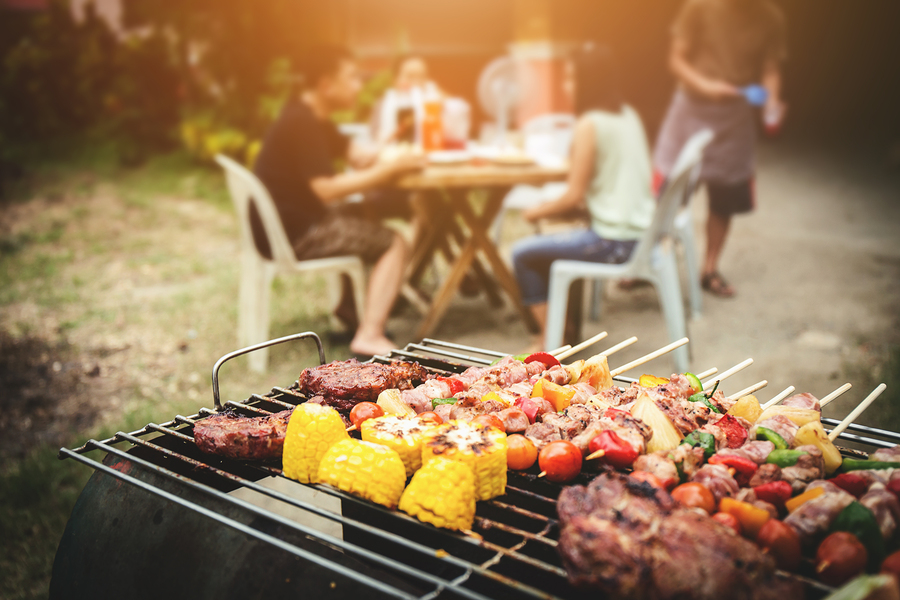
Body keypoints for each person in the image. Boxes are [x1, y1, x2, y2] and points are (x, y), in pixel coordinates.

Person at [253, 45, 425, 357]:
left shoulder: (313, 117)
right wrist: (389, 169)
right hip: (296, 233)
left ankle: (349, 311)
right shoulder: (302, 124)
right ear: (326, 84)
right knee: (395, 241)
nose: (359, 85)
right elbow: (327, 190)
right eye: (351, 78)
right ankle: (369, 335)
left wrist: (392, 142)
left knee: (368, 212)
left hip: (292, 221)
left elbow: (359, 158)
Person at [511, 43, 656, 348]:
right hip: (640, 233)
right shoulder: (627, 114)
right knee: (556, 241)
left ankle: (551, 341)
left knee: (523, 253)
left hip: (614, 241)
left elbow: (573, 195)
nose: (566, 85)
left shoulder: (589, 124)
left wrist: (534, 212)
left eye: (572, 78)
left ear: (589, 82)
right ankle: (562, 331)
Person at [653, 0, 787, 297]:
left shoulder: (770, 17)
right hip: (690, 107)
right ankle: (650, 263)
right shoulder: (699, 6)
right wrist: (705, 86)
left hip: (735, 114)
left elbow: (770, 70)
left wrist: (771, 104)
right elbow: (676, 59)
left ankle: (709, 269)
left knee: (725, 197)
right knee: (670, 193)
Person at [372, 55, 442, 146]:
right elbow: (374, 137)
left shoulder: (437, 101)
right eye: (411, 76)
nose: (417, 82)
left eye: (422, 76)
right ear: (395, 79)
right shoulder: (382, 104)